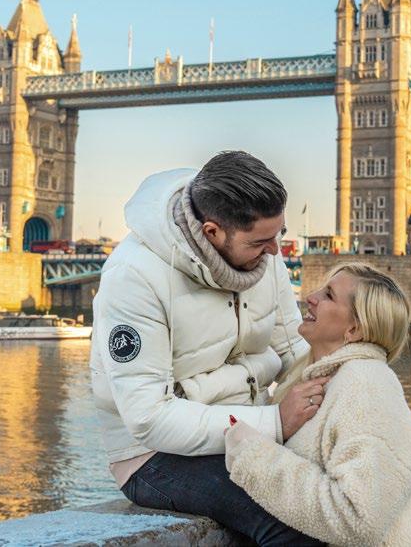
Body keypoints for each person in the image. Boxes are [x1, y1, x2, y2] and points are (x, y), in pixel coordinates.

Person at [90, 151, 326, 545]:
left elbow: (293, 350)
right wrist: (275, 423)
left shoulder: (263, 251)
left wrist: (350, 391)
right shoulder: (134, 276)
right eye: (261, 242)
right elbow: (149, 418)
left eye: (278, 235)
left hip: (250, 430)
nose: (276, 251)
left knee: (345, 489)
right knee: (297, 516)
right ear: (213, 232)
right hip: (154, 455)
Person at [225, 263, 411, 546]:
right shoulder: (320, 376)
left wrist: (254, 456)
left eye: (328, 295)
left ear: (354, 329)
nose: (310, 297)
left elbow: (360, 518)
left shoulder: (366, 383)